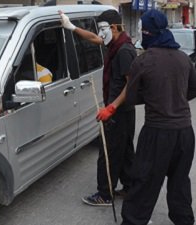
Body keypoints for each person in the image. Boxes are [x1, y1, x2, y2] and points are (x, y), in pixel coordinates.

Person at [121, 9, 196, 225]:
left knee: (144, 181)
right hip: (184, 133)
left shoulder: (143, 62)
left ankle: (133, 221)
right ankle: (184, 221)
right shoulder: (183, 58)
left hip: (157, 132)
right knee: (180, 183)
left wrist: (155, 97)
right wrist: (175, 97)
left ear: (147, 32)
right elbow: (193, 89)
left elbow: (131, 97)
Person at [60, 9, 136, 206]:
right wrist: (71, 27)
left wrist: (111, 108)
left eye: (104, 29)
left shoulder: (125, 51)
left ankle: (105, 194)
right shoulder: (114, 42)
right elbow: (94, 38)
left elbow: (132, 84)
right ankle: (130, 187)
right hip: (121, 111)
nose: (100, 34)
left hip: (118, 111)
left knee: (108, 152)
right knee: (125, 150)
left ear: (114, 27)